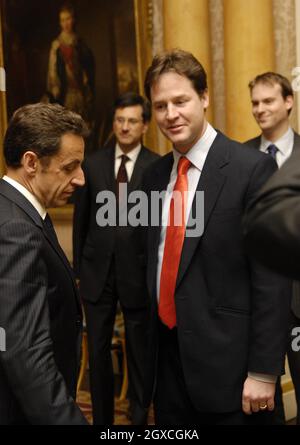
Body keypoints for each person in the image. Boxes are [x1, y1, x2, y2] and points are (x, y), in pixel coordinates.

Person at [141, 49, 291, 425]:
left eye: (180, 101)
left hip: (233, 372)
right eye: (160, 106)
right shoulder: (153, 178)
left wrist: (263, 371)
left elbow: (272, 277)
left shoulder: (252, 168)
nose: (170, 114)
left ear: (204, 97)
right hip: (168, 367)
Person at [73, 92, 159, 425]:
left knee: (139, 354)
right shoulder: (92, 164)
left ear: (145, 126)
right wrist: (79, 270)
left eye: (132, 121)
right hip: (97, 274)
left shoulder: (157, 166)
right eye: (119, 120)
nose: (124, 127)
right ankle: (104, 424)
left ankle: (138, 419)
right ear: (113, 122)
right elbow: (81, 221)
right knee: (96, 353)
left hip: (137, 274)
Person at [0, 103, 89, 425]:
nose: (80, 179)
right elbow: (24, 351)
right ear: (31, 163)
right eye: (70, 167)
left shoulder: (15, 211)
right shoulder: (16, 229)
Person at [245, 72, 300, 425]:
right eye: (254, 103)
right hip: (255, 303)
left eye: (268, 101)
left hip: (299, 300)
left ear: (288, 102)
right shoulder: (239, 160)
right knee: (263, 402)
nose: (259, 109)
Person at [47, 3, 94, 128]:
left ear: (73, 20)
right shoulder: (56, 46)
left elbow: (87, 69)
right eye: (63, 20)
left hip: (80, 93)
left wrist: (86, 82)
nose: (66, 23)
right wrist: (55, 89)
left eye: (68, 19)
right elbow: (52, 72)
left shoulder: (80, 44)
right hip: (65, 94)